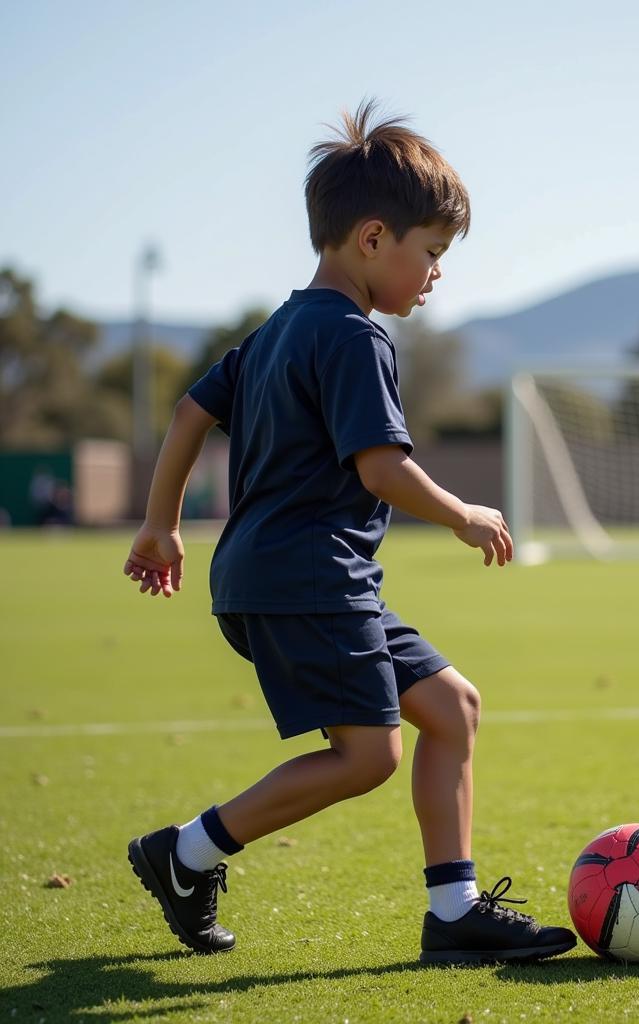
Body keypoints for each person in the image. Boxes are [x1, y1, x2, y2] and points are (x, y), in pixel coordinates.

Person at [122, 100, 576, 965]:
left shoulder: (277, 328)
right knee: (369, 757)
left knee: (452, 708)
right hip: (308, 579)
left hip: (292, 578)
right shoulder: (353, 335)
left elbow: (187, 413)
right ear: (372, 239)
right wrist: (464, 513)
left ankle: (454, 913)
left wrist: (160, 526)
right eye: (431, 253)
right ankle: (185, 854)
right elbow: (381, 468)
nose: (437, 274)